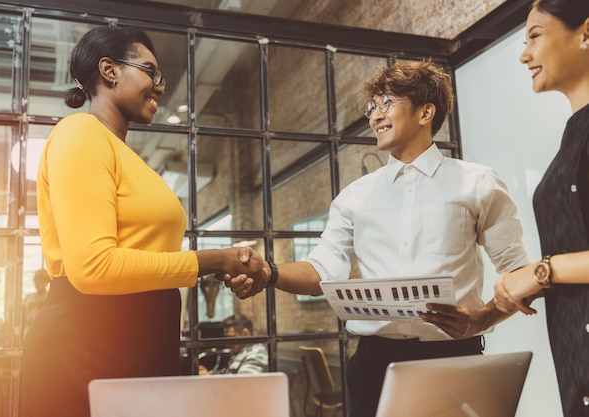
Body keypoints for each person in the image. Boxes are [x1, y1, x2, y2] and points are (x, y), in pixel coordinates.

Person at [226, 60, 530, 417]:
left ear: (425, 112)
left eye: (387, 103)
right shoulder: (353, 197)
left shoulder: (477, 183)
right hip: (373, 363)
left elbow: (518, 270)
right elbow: (322, 269)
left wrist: (484, 318)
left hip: (452, 358)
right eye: (372, 107)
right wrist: (270, 272)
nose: (374, 116)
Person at [20, 26, 266, 417]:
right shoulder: (80, 132)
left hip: (136, 343)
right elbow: (94, 267)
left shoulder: (127, 157)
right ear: (109, 70)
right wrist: (213, 261)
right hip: (86, 348)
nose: (159, 86)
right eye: (150, 71)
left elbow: (147, 257)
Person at [493, 1, 589, 416]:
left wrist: (538, 273)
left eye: (535, 36)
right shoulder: (574, 135)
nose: (524, 54)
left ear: (585, 33)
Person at [199, 313, 268, 375]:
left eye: (231, 338)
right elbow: (225, 374)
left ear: (245, 334)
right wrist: (207, 374)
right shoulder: (240, 353)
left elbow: (244, 382)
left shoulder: (256, 353)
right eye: (226, 338)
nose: (227, 343)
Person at [22, 269, 50, 335]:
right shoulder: (29, 297)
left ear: (46, 281)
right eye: (36, 280)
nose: (37, 283)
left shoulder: (49, 298)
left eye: (40, 280)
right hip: (29, 330)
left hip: (43, 331)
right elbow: (24, 316)